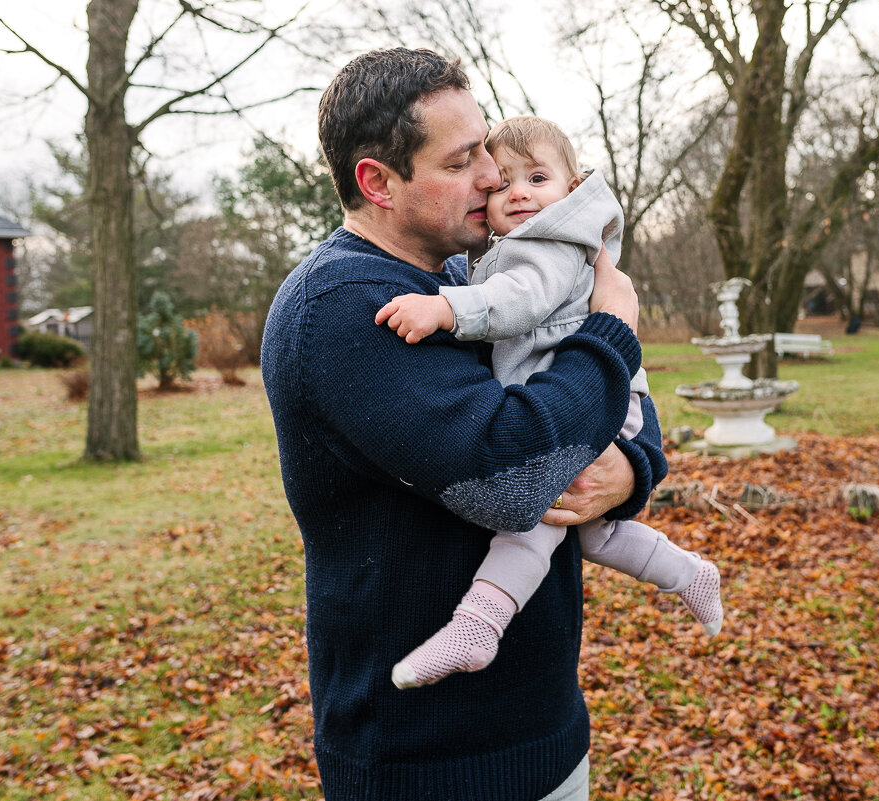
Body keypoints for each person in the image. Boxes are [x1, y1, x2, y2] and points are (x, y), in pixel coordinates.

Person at [261, 48, 667, 801]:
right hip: (427, 762)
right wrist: (613, 332)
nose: (491, 174)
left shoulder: (468, 281)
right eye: (461, 161)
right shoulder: (343, 310)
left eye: (486, 146)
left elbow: (614, 407)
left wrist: (628, 470)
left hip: (543, 731)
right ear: (378, 182)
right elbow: (514, 473)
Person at [375, 115, 723, 690]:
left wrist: (445, 309)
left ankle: (477, 626)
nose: (519, 193)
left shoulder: (553, 244)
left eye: (537, 178)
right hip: (591, 399)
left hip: (594, 402)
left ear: (572, 186)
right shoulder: (516, 247)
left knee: (534, 517)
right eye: (501, 183)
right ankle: (688, 573)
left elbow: (519, 299)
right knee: (596, 532)